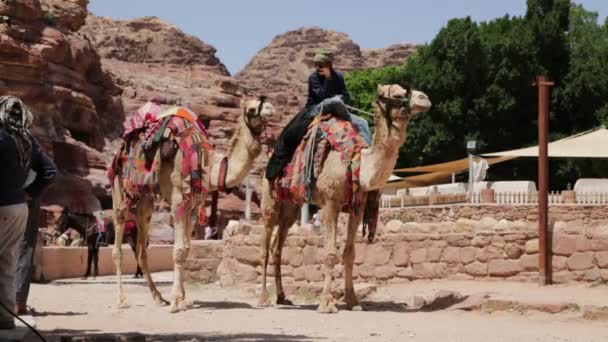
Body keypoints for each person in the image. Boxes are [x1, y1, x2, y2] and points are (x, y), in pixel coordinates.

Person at [265, 48, 370, 181]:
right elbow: (321, 96)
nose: (318, 67)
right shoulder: (313, 78)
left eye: (321, 64)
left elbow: (346, 96)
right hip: (316, 109)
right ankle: (347, 119)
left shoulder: (339, 77)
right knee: (335, 100)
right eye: (316, 65)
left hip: (337, 109)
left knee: (362, 122)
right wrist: (328, 79)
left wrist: (339, 97)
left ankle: (366, 154)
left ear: (329, 64)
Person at [0, 96, 56, 329]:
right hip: (19, 209)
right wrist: (29, 193)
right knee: (7, 262)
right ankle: (5, 319)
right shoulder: (26, 139)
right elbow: (50, 171)